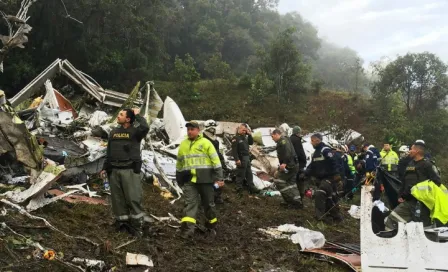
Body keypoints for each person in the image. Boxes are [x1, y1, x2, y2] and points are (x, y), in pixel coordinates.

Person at [101, 108, 150, 236]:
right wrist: (104, 168)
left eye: (121, 115)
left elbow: (145, 127)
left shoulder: (136, 132)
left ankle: (137, 226)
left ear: (128, 119)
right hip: (114, 170)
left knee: (133, 198)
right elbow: (109, 152)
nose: (118, 116)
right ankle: (122, 224)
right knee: (117, 199)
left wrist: (137, 115)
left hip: (129, 170)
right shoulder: (113, 132)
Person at [176, 121, 224, 239]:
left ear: (198, 130)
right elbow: (179, 163)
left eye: (192, 129)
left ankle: (212, 226)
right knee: (190, 204)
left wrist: (219, 178)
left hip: (206, 180)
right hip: (190, 181)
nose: (190, 131)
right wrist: (179, 178)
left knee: (208, 204)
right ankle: (188, 230)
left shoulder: (206, 143)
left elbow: (216, 162)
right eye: (188, 130)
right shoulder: (183, 144)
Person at [384, 141, 441, 231]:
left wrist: (422, 190)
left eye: (411, 149)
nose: (409, 151)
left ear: (417, 151)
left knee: (426, 229)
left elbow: (437, 182)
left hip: (422, 204)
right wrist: (400, 194)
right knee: (392, 220)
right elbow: (404, 181)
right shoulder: (410, 164)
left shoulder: (427, 165)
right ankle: (391, 243)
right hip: (408, 202)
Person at [305, 134, 343, 223]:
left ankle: (320, 217)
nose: (311, 142)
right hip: (320, 178)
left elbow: (334, 160)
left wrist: (336, 174)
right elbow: (312, 166)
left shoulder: (325, 150)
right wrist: (305, 173)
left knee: (320, 193)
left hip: (329, 177)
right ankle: (336, 216)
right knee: (329, 197)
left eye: (312, 140)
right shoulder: (316, 153)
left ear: (318, 140)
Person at [271, 129, 303, 208]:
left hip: (290, 165)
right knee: (292, 183)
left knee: (278, 180)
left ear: (276, 134)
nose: (272, 138)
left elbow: (287, 152)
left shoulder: (283, 141)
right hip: (293, 165)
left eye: (272, 136)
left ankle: (290, 200)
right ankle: (297, 202)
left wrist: (284, 163)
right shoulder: (284, 140)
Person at [203, 119, 226, 204]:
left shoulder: (214, 137)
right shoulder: (203, 137)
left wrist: (222, 160)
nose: (213, 129)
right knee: (208, 181)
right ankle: (208, 198)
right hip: (207, 163)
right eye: (210, 127)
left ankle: (217, 196)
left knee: (219, 180)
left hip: (216, 161)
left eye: (213, 127)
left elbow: (217, 151)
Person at [231, 123, 259, 193]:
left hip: (247, 158)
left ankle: (252, 188)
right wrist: (237, 159)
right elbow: (234, 150)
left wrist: (249, 134)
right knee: (240, 174)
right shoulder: (236, 138)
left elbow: (251, 142)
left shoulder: (245, 138)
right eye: (243, 130)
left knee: (249, 174)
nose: (244, 132)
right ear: (239, 129)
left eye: (245, 130)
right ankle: (238, 188)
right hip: (241, 158)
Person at [290, 126, 307, 198]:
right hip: (299, 163)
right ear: (298, 132)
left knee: (292, 180)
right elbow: (300, 152)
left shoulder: (290, 139)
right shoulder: (297, 140)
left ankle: (293, 195)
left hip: (291, 163)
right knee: (300, 179)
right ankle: (300, 195)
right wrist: (304, 161)